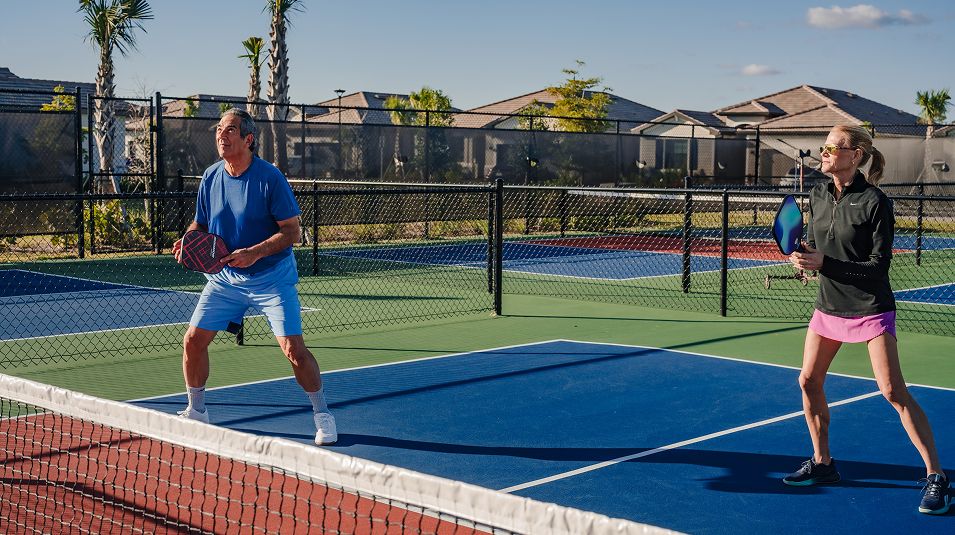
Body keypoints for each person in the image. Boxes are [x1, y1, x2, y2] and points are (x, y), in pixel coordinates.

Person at [783, 125, 947, 514]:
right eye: (822, 147)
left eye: (831, 147)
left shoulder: (875, 202)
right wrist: (804, 256)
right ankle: (823, 464)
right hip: (828, 305)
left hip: (871, 307)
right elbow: (822, 244)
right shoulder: (817, 193)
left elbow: (877, 268)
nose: (823, 153)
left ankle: (936, 476)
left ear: (854, 155)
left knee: (893, 391)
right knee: (808, 380)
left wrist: (827, 263)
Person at [172, 108, 337, 446]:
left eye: (230, 129)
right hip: (224, 280)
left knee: (294, 350)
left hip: (271, 278)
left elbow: (292, 233)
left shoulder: (269, 178)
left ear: (248, 139)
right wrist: (190, 240)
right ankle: (197, 410)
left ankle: (323, 415)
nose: (221, 134)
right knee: (192, 340)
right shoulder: (210, 176)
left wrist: (255, 252)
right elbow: (200, 224)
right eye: (219, 128)